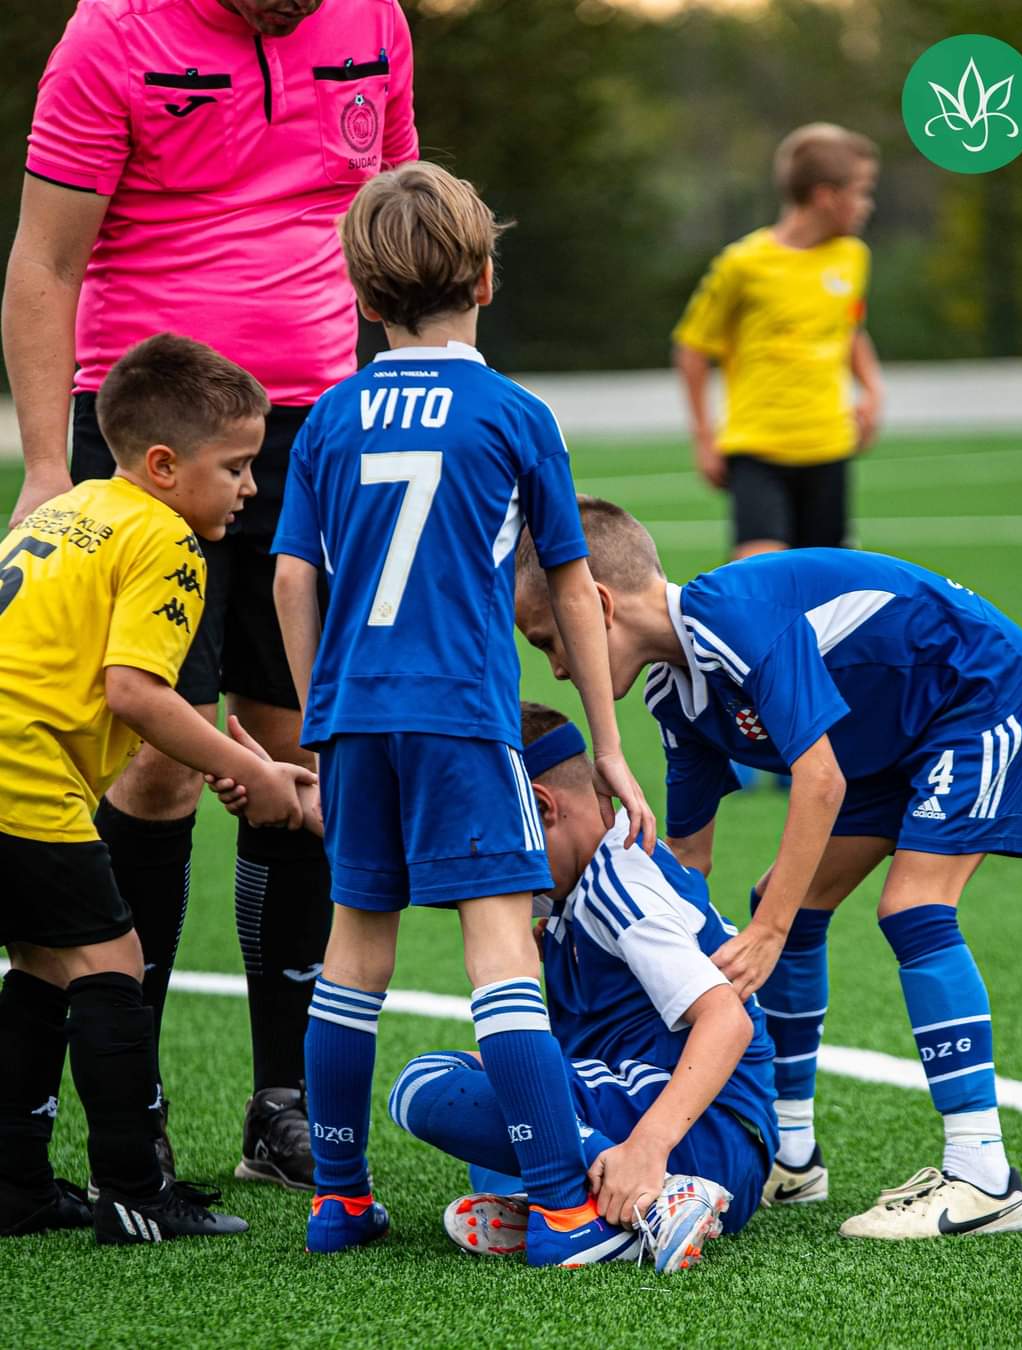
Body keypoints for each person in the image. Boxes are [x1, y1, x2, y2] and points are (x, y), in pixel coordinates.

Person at [2, 0, 420, 1189]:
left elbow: (395, 225)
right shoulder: (112, 35)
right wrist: (48, 464)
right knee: (161, 762)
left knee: (303, 750)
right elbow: (46, 260)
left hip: (319, 433)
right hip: (156, 450)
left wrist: (415, 405)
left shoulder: (374, 19)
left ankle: (283, 1103)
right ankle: (132, 1106)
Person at [261, 161, 654, 1264]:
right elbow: (570, 584)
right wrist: (609, 747)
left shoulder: (329, 418)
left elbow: (292, 579)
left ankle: (339, 1201)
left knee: (354, 954)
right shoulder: (516, 414)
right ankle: (563, 1212)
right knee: (500, 951)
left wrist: (320, 721)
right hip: (464, 717)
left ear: (361, 296)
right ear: (485, 280)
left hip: (354, 718)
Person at [515, 496, 1022, 1240]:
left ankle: (983, 1175)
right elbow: (687, 862)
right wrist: (590, 921)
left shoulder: (732, 619)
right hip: (888, 737)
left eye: (551, 639)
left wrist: (766, 933)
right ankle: (793, 1156)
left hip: (979, 691)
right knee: (786, 901)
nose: (554, 666)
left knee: (910, 907)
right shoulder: (675, 696)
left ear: (598, 606)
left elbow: (821, 779)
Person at [0, 333, 321, 1244]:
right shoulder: (168, 540)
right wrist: (250, 769)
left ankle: (16, 1185)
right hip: (25, 776)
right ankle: (137, 1190)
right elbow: (137, 694)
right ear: (165, 466)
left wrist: (232, 760)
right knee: (112, 964)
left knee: (41, 964)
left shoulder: (70, 508)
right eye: (236, 468)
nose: (250, 489)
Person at [388, 701, 778, 1274]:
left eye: (495, 841)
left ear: (543, 808)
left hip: (700, 1133)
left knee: (424, 1085)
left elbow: (728, 1020)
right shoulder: (573, 887)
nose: (493, 865)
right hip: (679, 1121)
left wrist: (647, 1148)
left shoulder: (619, 885)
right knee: (500, 1085)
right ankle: (599, 1211)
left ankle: (651, 1195)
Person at [673, 123, 884, 560]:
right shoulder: (743, 265)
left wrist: (872, 390)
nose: (868, 205)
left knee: (825, 583)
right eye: (862, 192)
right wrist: (704, 438)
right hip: (758, 450)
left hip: (829, 446)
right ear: (826, 196)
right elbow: (692, 348)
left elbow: (849, 330)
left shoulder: (853, 257)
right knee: (760, 575)